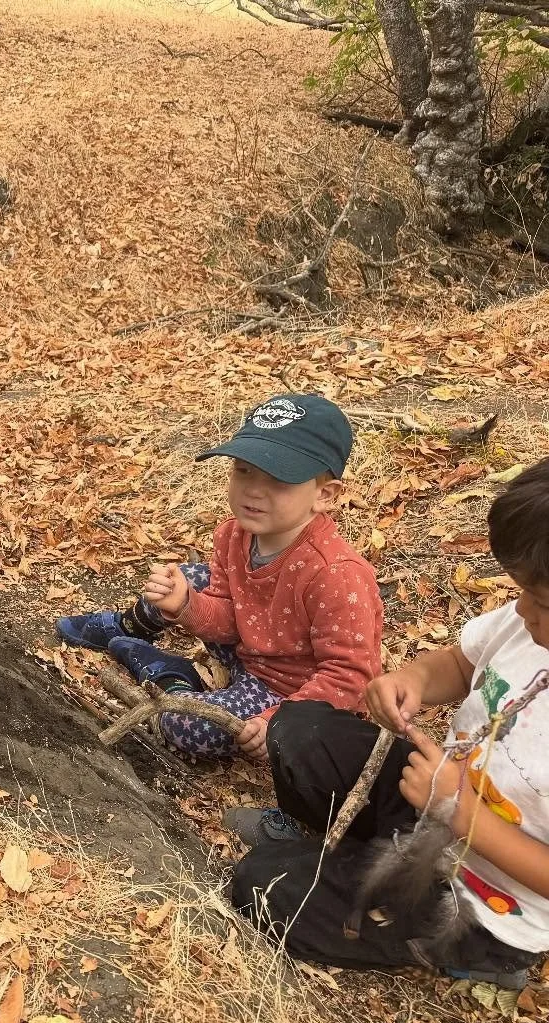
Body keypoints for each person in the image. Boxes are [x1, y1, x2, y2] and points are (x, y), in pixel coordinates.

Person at [230, 458, 549, 989]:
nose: (519, 610)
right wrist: (414, 680)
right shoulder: (525, 624)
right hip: (432, 800)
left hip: (482, 898)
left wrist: (458, 808)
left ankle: (488, 961)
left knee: (267, 883)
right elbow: (459, 664)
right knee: (302, 728)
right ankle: (349, 838)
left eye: (538, 601)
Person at [56, 395, 382, 770]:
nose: (254, 490)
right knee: (186, 579)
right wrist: (185, 606)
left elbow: (350, 676)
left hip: (293, 692)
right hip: (248, 650)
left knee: (186, 725)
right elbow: (228, 618)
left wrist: (276, 721)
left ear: (324, 495)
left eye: (278, 479)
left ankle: (171, 679)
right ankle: (129, 625)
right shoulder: (233, 535)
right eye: (244, 470)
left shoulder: (335, 573)